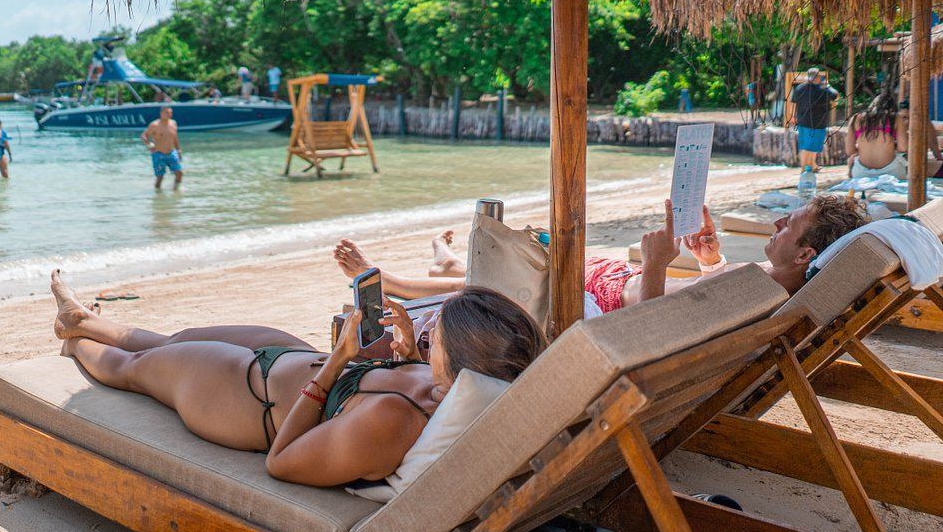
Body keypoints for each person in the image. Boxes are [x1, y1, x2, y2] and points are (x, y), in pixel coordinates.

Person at [50, 270, 542, 485]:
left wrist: (338, 360)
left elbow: (282, 462)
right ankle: (80, 319)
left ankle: (74, 343)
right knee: (174, 339)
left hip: (245, 396)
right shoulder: (445, 392)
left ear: (462, 364)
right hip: (290, 358)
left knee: (134, 368)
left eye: (438, 337)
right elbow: (400, 386)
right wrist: (410, 352)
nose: (430, 331)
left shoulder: (395, 422)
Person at [335, 195, 868, 314]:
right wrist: (710, 259)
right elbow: (711, 295)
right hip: (619, 279)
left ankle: (395, 280)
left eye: (789, 224)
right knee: (529, 257)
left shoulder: (763, 289)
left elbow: (654, 327)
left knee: (509, 275)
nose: (777, 223)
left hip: (613, 297)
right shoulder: (774, 283)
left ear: (806, 253)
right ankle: (445, 259)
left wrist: (656, 264)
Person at [845, 92, 907, 179]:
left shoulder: (856, 118)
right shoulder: (896, 118)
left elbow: (850, 151)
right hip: (891, 172)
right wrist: (890, 146)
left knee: (851, 161)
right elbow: (903, 148)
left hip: (861, 172)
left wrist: (864, 147)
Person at [792, 68, 838, 170]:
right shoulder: (823, 89)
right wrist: (828, 85)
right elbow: (836, 95)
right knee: (811, 146)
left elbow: (794, 103)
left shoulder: (799, 88)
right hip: (817, 122)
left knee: (806, 146)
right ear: (817, 77)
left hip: (802, 121)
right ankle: (805, 168)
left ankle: (812, 165)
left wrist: (793, 117)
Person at [142, 105, 182, 189]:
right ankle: (157, 193)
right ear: (161, 113)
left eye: (171, 113)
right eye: (167, 113)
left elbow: (175, 137)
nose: (169, 115)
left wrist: (178, 150)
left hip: (172, 152)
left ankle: (176, 190)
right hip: (159, 154)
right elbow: (144, 136)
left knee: (179, 173)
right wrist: (149, 145)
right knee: (160, 178)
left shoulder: (173, 123)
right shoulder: (154, 125)